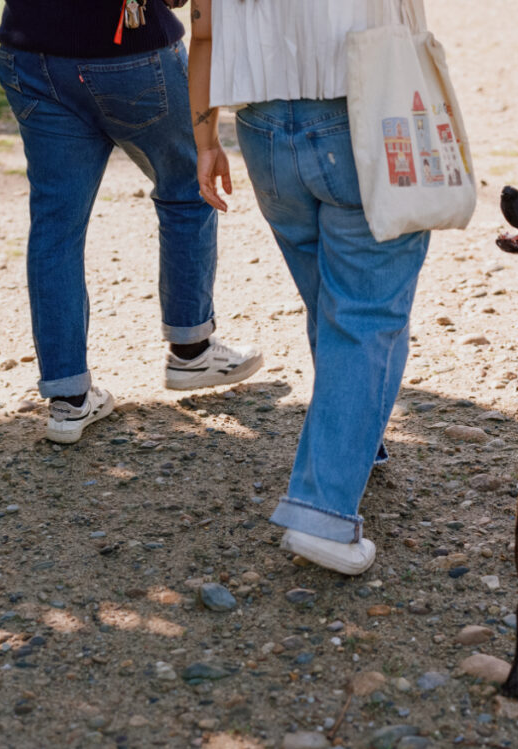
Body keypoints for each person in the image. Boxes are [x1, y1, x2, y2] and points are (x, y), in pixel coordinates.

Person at [188, 0, 431, 574]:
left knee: (329, 302)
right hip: (363, 111)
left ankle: (353, 439)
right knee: (366, 315)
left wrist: (204, 140)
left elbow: (201, 33)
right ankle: (321, 515)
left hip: (265, 133)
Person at [0, 0, 262, 444]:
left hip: (30, 50)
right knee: (187, 185)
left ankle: (68, 396)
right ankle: (191, 350)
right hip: (127, 51)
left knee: (55, 226)